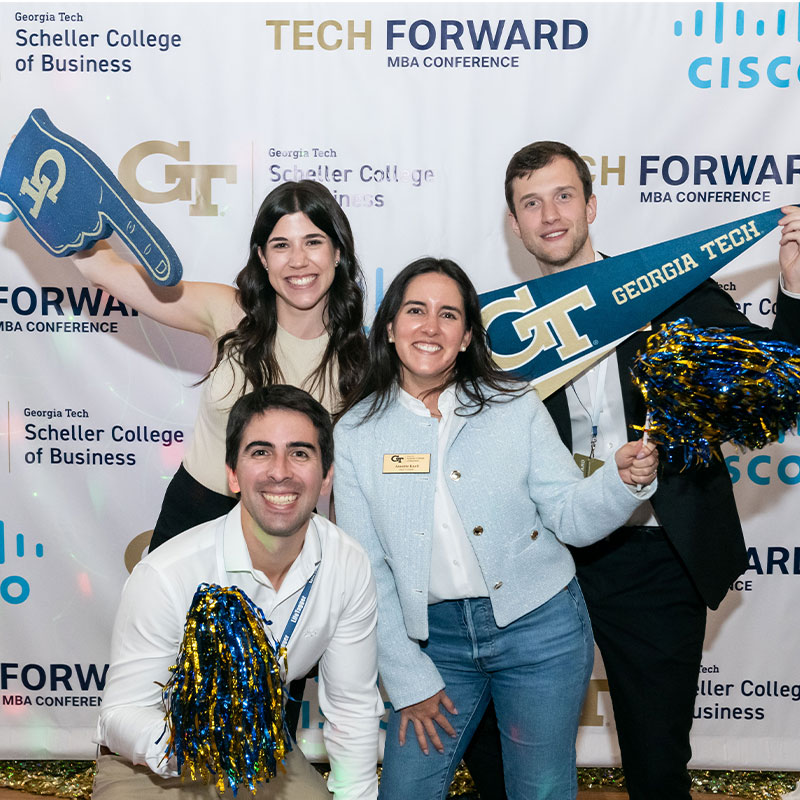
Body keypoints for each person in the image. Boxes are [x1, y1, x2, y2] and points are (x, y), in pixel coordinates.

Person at [501, 140, 800, 799]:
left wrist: (793, 284)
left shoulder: (665, 290)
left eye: (562, 195)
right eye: (531, 202)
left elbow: (776, 382)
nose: (549, 214)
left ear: (592, 205)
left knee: (657, 761)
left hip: (654, 555)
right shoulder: (500, 333)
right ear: (515, 225)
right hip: (541, 559)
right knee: (506, 751)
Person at [332, 257, 659, 800]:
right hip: (434, 645)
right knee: (406, 791)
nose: (430, 327)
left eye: (448, 315)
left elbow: (568, 516)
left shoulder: (513, 405)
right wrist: (408, 679)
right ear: (389, 328)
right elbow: (367, 571)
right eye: (415, 311)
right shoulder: (357, 433)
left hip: (541, 630)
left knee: (542, 791)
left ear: (465, 338)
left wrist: (619, 483)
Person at [93, 385, 384, 800]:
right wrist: (193, 742)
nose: (280, 471)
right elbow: (117, 715)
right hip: (154, 764)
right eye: (261, 452)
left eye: (300, 453)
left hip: (262, 753)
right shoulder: (169, 572)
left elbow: (352, 708)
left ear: (327, 474)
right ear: (232, 474)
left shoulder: (347, 564)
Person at [69, 179, 366, 550]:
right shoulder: (229, 312)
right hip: (194, 517)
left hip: (289, 532)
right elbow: (106, 272)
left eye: (313, 242)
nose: (298, 260)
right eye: (280, 245)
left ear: (337, 251)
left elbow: (347, 491)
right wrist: (63, 196)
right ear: (262, 258)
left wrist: (343, 564)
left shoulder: (358, 360)